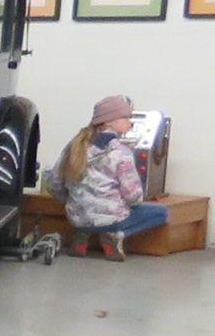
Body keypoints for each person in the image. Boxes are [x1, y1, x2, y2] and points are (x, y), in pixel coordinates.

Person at [55, 95, 167, 258]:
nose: (130, 122)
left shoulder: (74, 145)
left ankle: (81, 237)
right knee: (161, 212)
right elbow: (133, 196)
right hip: (111, 220)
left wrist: (74, 200)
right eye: (126, 117)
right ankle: (115, 235)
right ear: (108, 121)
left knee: (91, 216)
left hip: (76, 218)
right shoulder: (121, 151)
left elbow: (54, 181)